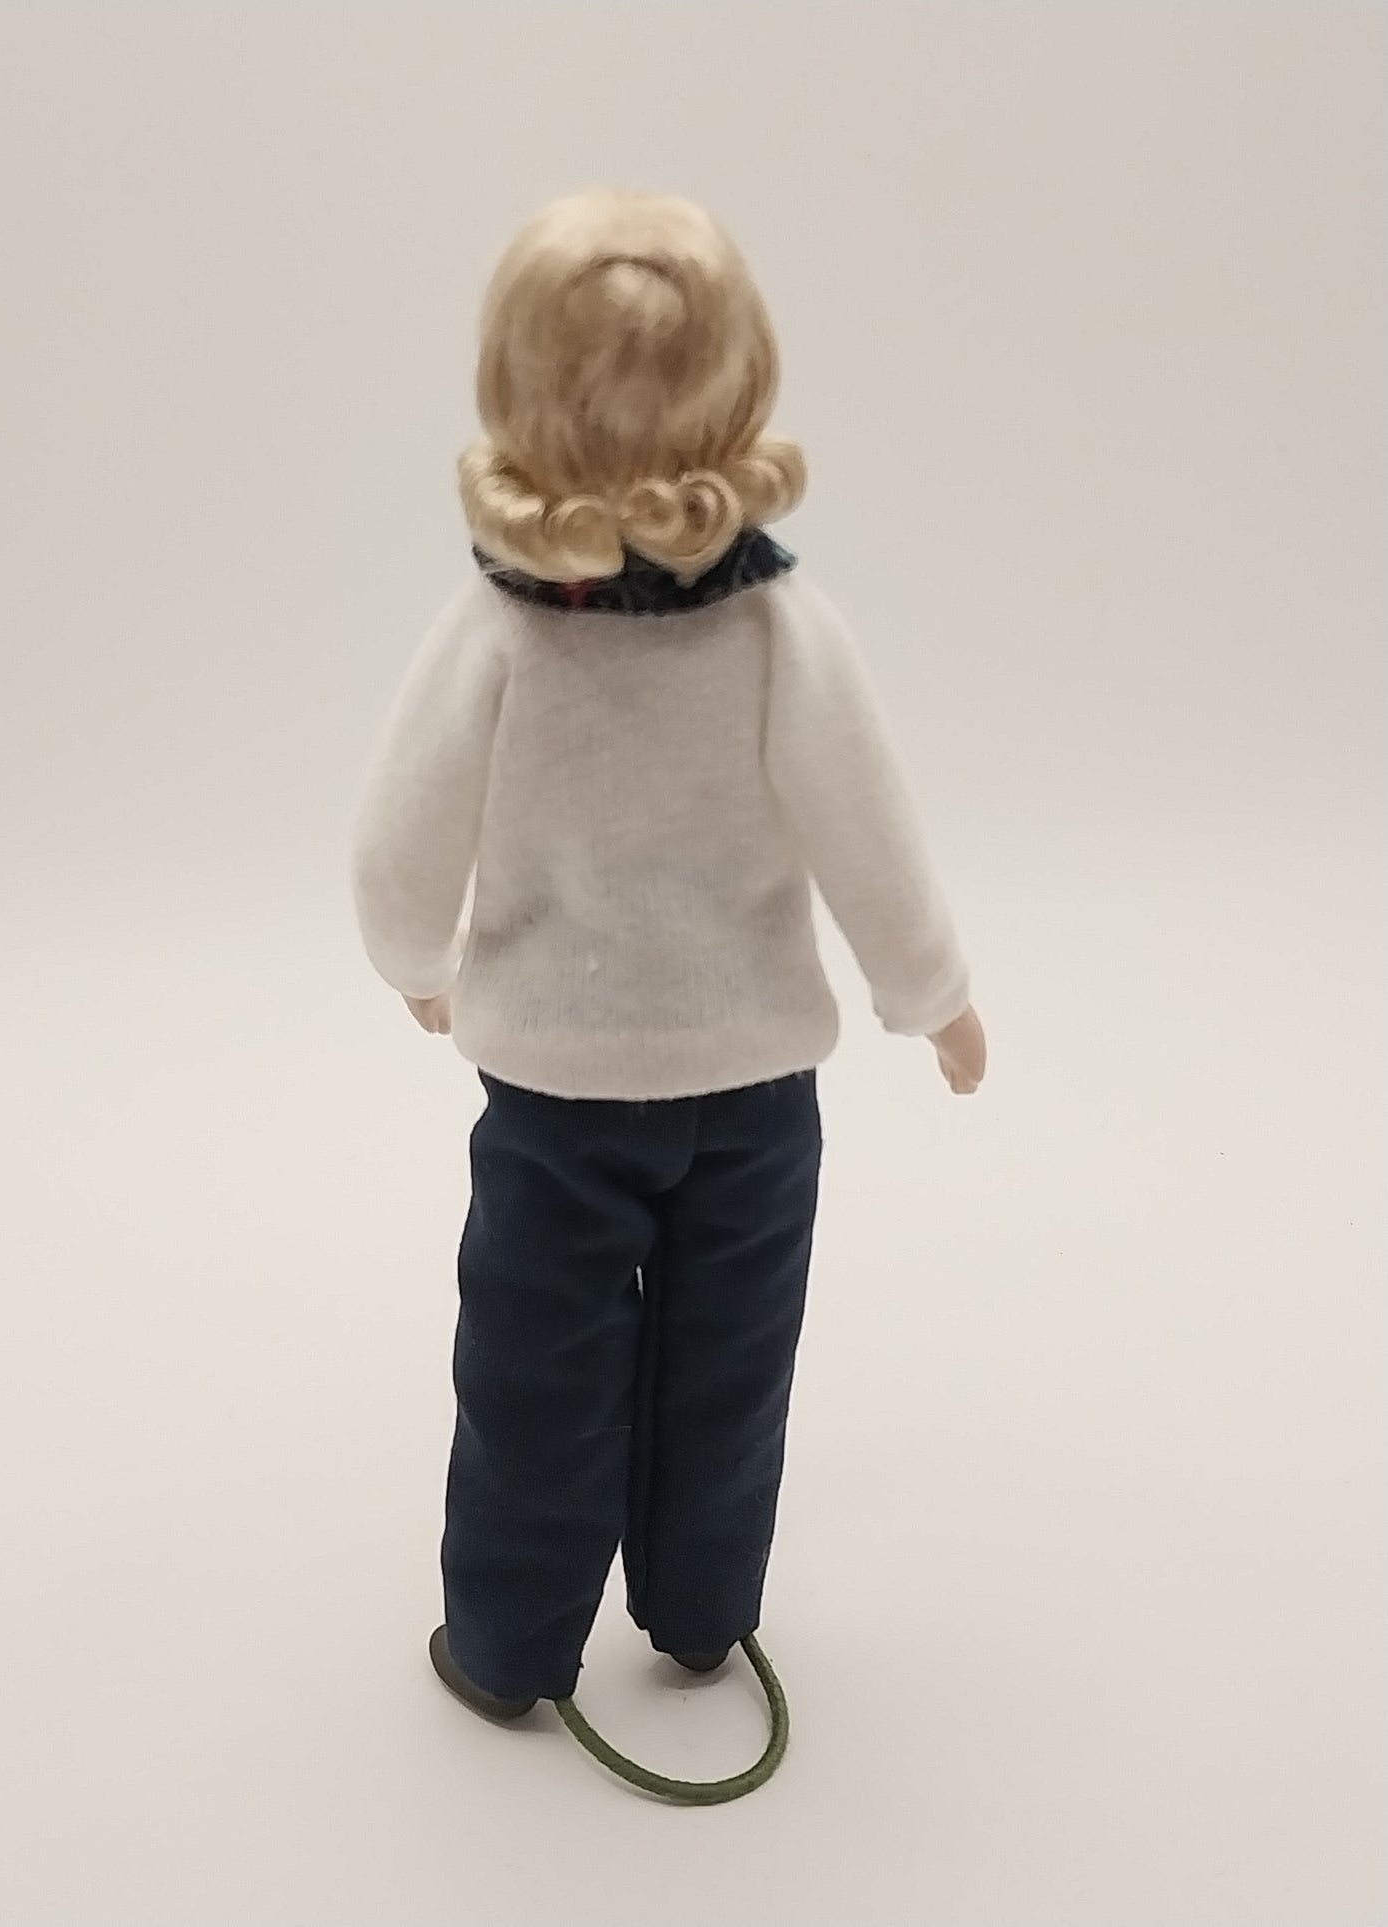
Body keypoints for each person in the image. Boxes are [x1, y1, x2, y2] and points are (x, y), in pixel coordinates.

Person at [351, 187, 986, 1735]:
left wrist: (414, 956)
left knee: (537, 1372)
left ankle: (508, 1643)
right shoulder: (777, 626)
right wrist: (931, 995)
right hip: (753, 1082)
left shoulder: (500, 631)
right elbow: (868, 829)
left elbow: (401, 833)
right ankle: (701, 1613)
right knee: (729, 1363)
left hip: (557, 1092)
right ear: (740, 383)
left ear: (513, 391)